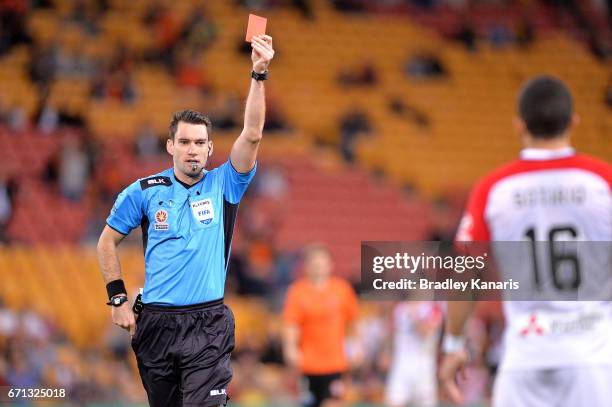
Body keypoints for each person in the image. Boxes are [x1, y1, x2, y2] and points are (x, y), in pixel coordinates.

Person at [96, 35, 275, 407]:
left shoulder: (224, 183)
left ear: (210, 148)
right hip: (157, 323)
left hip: (208, 324)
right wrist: (117, 299)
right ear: (170, 146)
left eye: (200, 143)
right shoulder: (143, 191)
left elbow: (253, 134)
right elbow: (106, 241)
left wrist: (258, 75)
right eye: (185, 142)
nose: (193, 150)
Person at [439, 76, 612, 406]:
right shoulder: (602, 180)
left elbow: (463, 276)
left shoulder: (494, 188)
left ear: (519, 125)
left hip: (524, 356)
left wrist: (453, 346)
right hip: (593, 356)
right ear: (573, 122)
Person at [282, 244, 359, 407]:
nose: (318, 267)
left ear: (330, 265)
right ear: (306, 267)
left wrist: (357, 346)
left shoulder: (342, 290)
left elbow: (353, 321)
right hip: (308, 364)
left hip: (335, 363)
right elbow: (291, 323)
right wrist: (290, 347)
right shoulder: (298, 292)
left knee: (332, 403)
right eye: (314, 263)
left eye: (322, 262)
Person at [384, 301, 442, 407]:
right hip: (401, 366)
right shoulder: (400, 308)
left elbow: (426, 333)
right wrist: (386, 352)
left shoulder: (434, 308)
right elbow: (392, 334)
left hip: (424, 369)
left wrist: (414, 316)